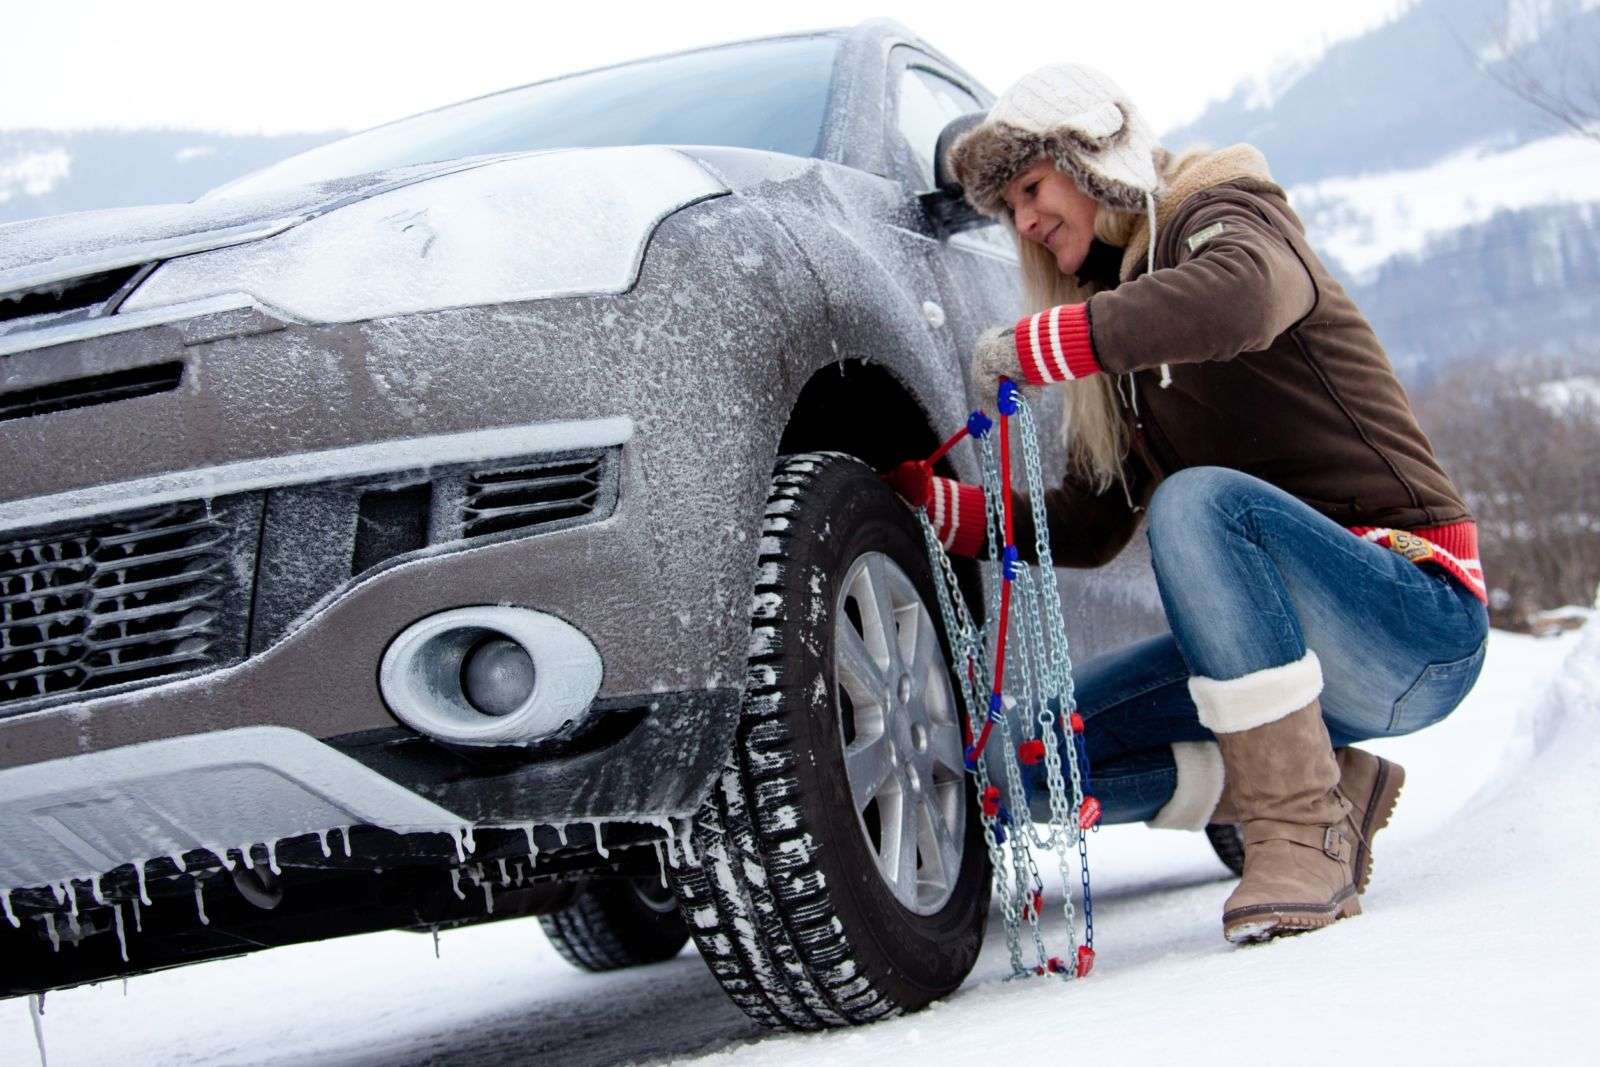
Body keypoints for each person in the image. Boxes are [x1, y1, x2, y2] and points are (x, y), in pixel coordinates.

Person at [886, 64, 1489, 943]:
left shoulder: (1221, 215)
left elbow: (1244, 296)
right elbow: (1089, 525)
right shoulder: (1127, 359)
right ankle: (1330, 784)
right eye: (1009, 208)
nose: (1023, 220)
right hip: (1298, 654)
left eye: (1030, 187)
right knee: (1023, 757)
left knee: (1200, 505)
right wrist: (940, 510)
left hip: (1413, 614)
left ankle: (1297, 830)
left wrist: (1052, 343)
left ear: (1094, 159)